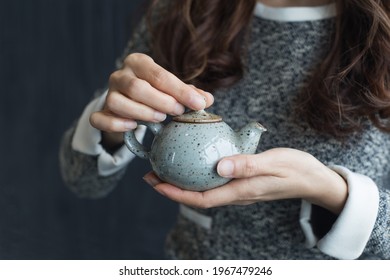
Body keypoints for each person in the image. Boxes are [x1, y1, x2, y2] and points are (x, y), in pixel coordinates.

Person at [59, 0, 390, 259]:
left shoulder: (382, 26)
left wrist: (334, 192)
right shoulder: (186, 11)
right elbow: (83, 181)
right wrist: (116, 121)